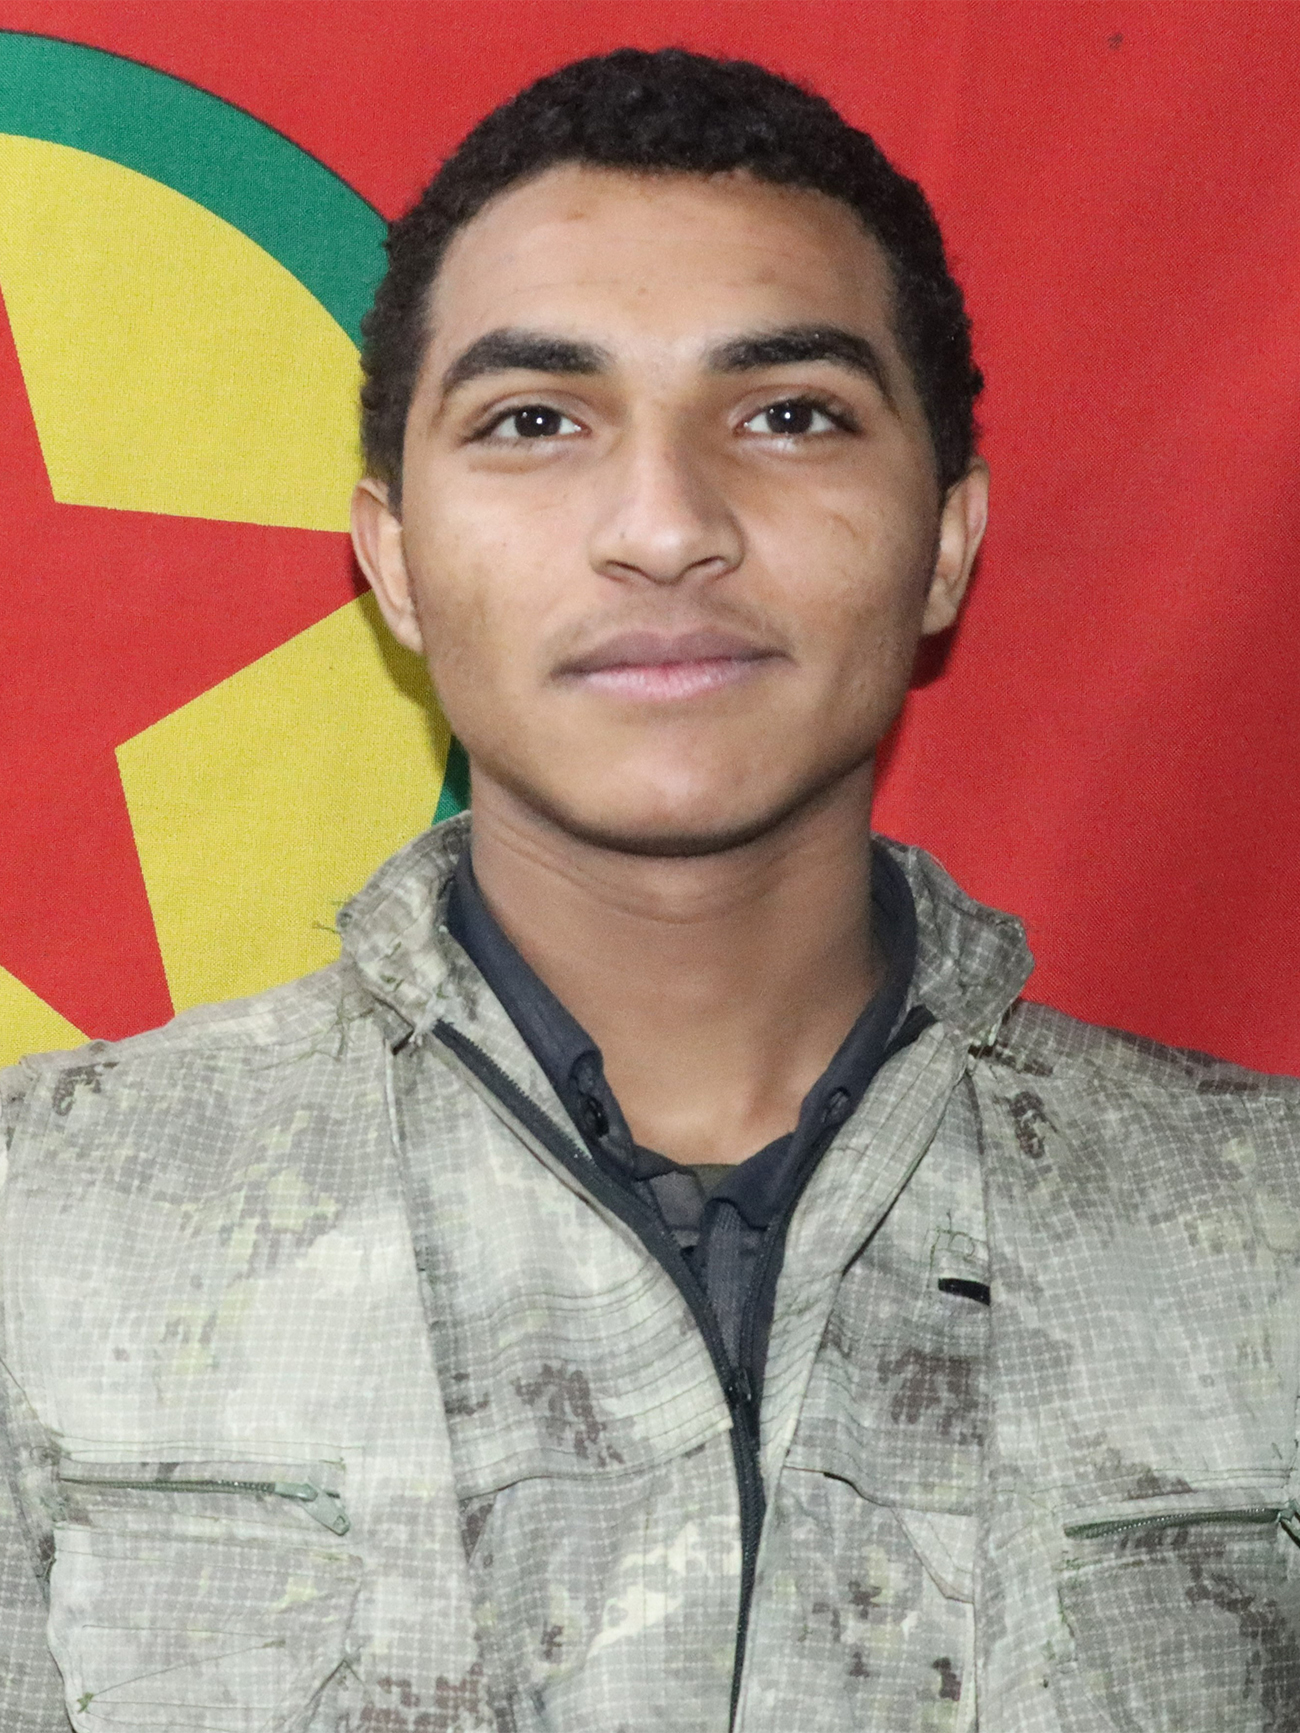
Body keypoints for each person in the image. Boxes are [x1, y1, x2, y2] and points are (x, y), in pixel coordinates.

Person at [3, 46, 1298, 1733]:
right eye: (536, 421)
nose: (667, 523)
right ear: (393, 560)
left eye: (790, 414)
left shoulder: (1265, 1233)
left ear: (945, 542)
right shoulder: (45, 1223)